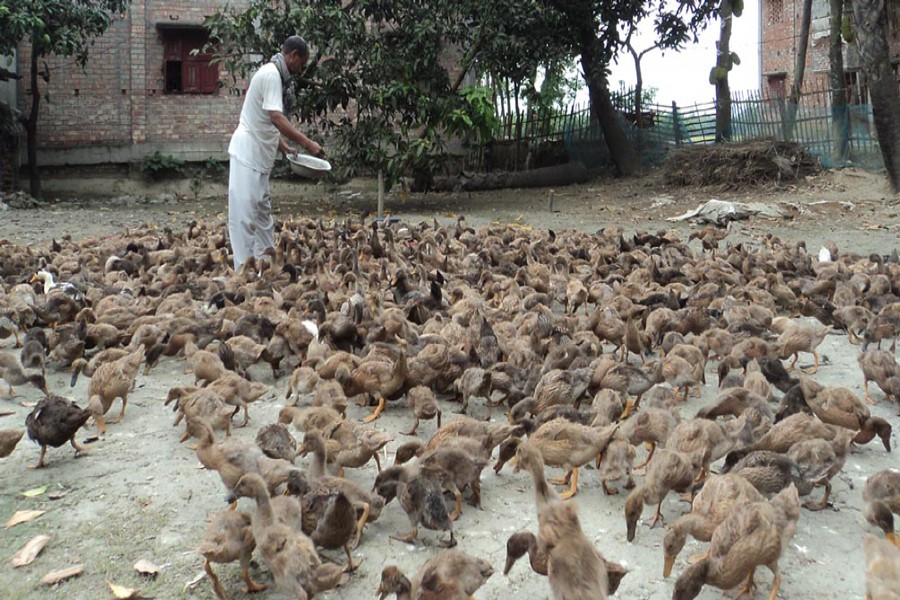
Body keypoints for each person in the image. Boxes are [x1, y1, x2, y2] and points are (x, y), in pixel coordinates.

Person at [227, 35, 324, 271]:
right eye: (301, 63)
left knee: (262, 216)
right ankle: (244, 271)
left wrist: (283, 146)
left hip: (260, 157)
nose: (300, 70)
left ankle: (267, 265)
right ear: (293, 56)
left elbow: (265, 120)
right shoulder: (271, 74)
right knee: (244, 216)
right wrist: (307, 143)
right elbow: (276, 117)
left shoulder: (276, 76)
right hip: (247, 154)